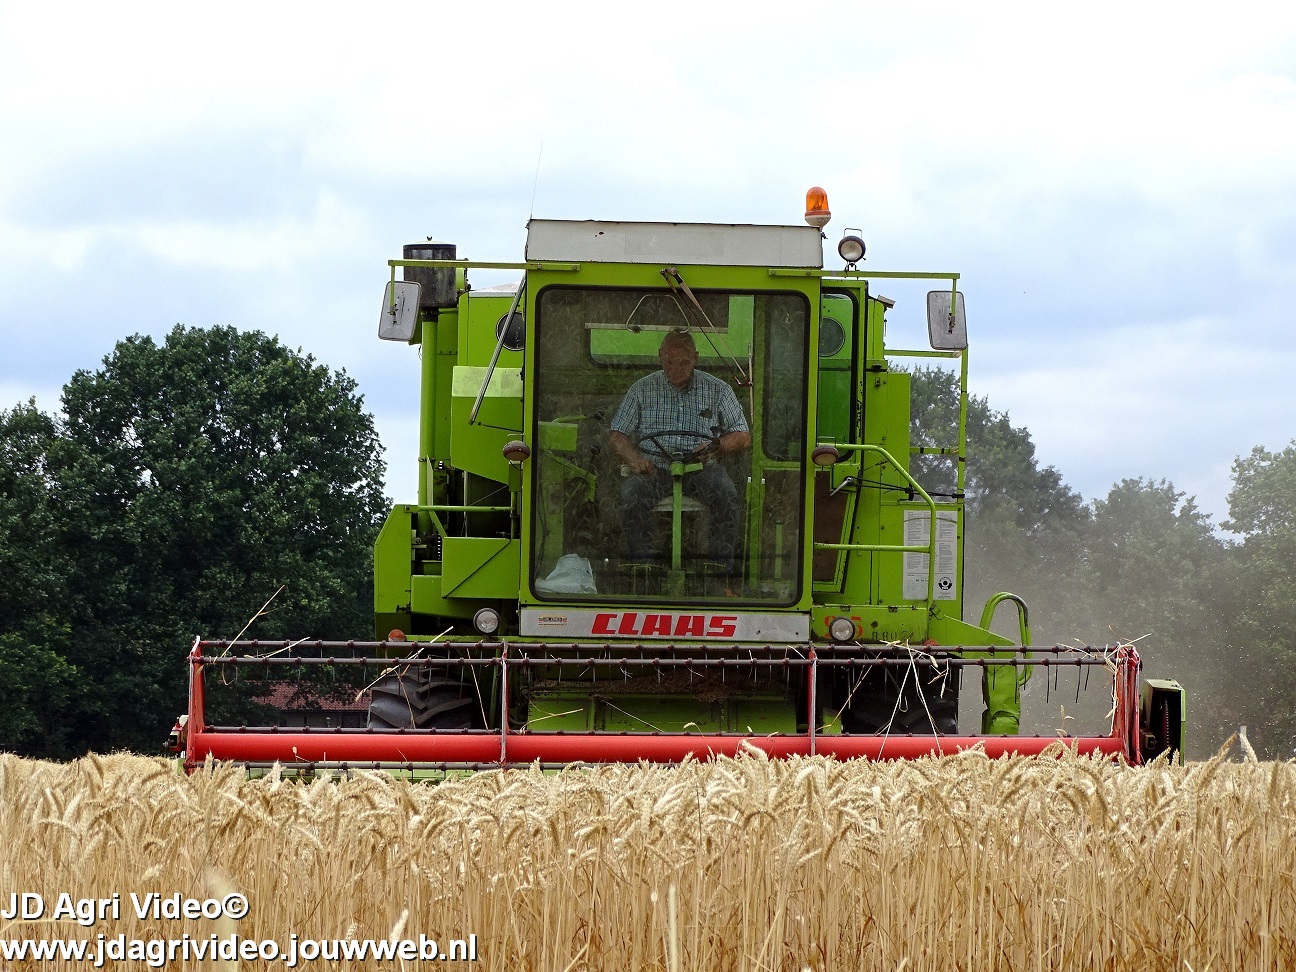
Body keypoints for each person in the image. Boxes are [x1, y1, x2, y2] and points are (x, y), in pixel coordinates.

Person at [608, 331, 751, 571]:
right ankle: (642, 568)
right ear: (659, 357)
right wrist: (635, 460)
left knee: (726, 495)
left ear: (696, 358)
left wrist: (717, 446)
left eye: (683, 362)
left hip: (700, 467)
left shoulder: (718, 390)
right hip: (654, 468)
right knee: (631, 496)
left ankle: (719, 570)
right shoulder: (641, 389)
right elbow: (617, 435)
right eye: (669, 362)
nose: (675, 369)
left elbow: (743, 436)